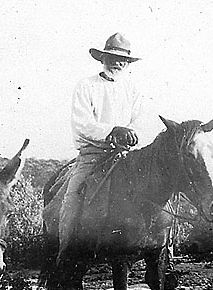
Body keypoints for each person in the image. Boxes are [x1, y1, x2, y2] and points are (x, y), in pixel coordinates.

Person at [58, 32, 144, 262]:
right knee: (72, 198)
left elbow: (138, 120)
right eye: (113, 57)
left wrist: (132, 133)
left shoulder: (132, 89)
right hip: (94, 154)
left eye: (122, 59)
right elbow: (83, 124)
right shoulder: (87, 85)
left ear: (127, 63)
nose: (118, 62)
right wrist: (113, 130)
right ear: (103, 58)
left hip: (126, 155)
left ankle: (165, 255)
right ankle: (65, 256)